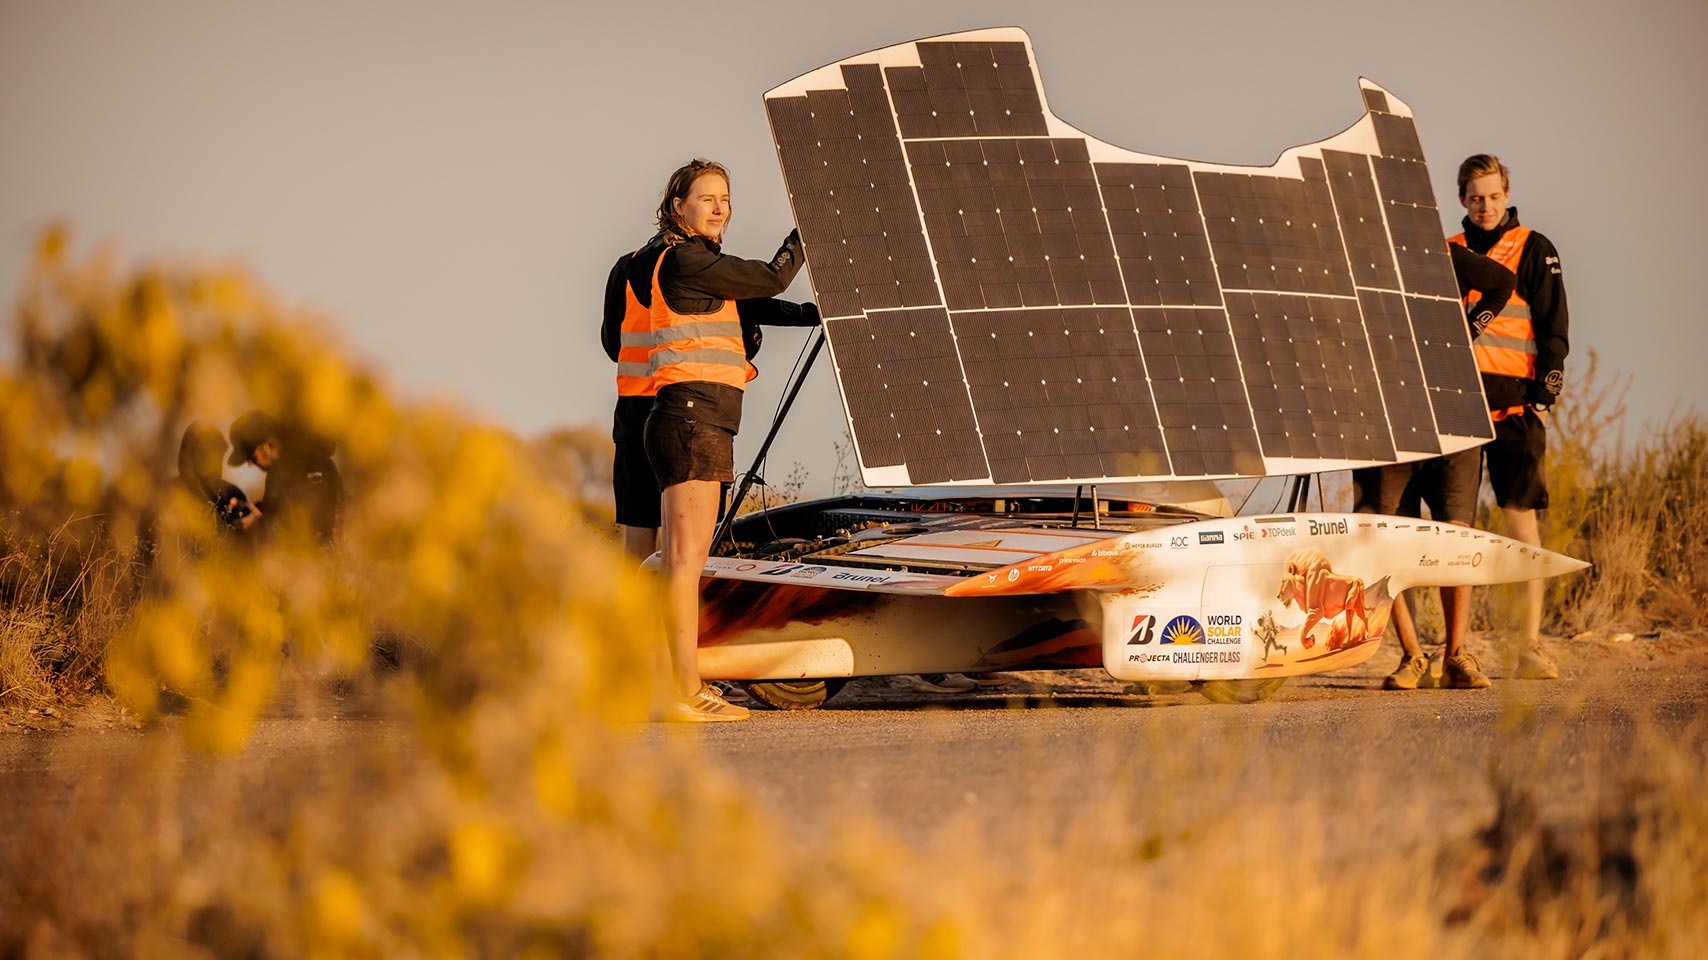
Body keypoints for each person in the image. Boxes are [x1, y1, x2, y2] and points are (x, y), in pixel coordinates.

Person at [638, 159, 819, 722]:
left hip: (692, 420)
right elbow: (769, 279)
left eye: (725, 198)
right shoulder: (686, 259)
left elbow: (759, 302)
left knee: (681, 562)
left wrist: (821, 314)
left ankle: (679, 684)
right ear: (678, 208)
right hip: (693, 421)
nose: (719, 207)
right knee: (686, 564)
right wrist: (808, 230)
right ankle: (683, 691)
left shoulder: (701, 267)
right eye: (706, 198)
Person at [1354, 244, 1516, 690]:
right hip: (1386, 414)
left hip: (1453, 412)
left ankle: (1457, 655)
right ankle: (1412, 656)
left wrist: (1465, 330)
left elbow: (1503, 283)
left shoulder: (1439, 250)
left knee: (1456, 535)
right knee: (1386, 536)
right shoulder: (1352, 253)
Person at [1449, 154, 1569, 681]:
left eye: (1494, 195)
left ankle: (1530, 645)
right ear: (1462, 199)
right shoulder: (1446, 252)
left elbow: (1553, 327)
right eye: (1476, 197)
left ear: (1506, 193)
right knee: (1457, 531)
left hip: (1517, 405)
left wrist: (1548, 390)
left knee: (1521, 524)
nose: (1485, 205)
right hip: (1457, 406)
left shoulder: (1534, 248)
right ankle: (1458, 649)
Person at [602, 235, 669, 560]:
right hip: (691, 412)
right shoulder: (712, 268)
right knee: (684, 547)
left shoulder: (626, 267)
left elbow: (612, 343)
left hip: (635, 412)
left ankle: (636, 611)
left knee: (638, 544)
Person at [228, 410, 343, 546]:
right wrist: (252, 508)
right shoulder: (277, 475)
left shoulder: (314, 465)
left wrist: (259, 525)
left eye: (252, 457)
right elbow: (281, 511)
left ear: (269, 444)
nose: (250, 464)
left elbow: (311, 528)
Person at [176, 421, 261, 537]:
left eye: (218, 451)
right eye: (206, 452)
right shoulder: (168, 496)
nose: (214, 460)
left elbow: (249, 544)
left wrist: (255, 528)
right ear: (188, 455)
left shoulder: (232, 495)